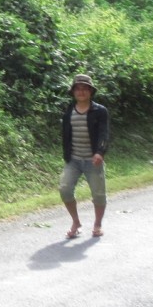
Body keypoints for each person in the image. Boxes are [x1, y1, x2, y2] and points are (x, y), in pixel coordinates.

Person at [60, 74, 110, 239]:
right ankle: (76, 222)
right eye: (78, 88)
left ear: (90, 91)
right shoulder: (68, 111)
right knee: (65, 189)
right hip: (73, 159)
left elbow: (104, 133)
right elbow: (66, 135)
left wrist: (99, 152)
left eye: (84, 88)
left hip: (93, 160)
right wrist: (66, 154)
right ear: (73, 91)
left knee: (98, 194)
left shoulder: (100, 111)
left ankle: (97, 224)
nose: (81, 91)